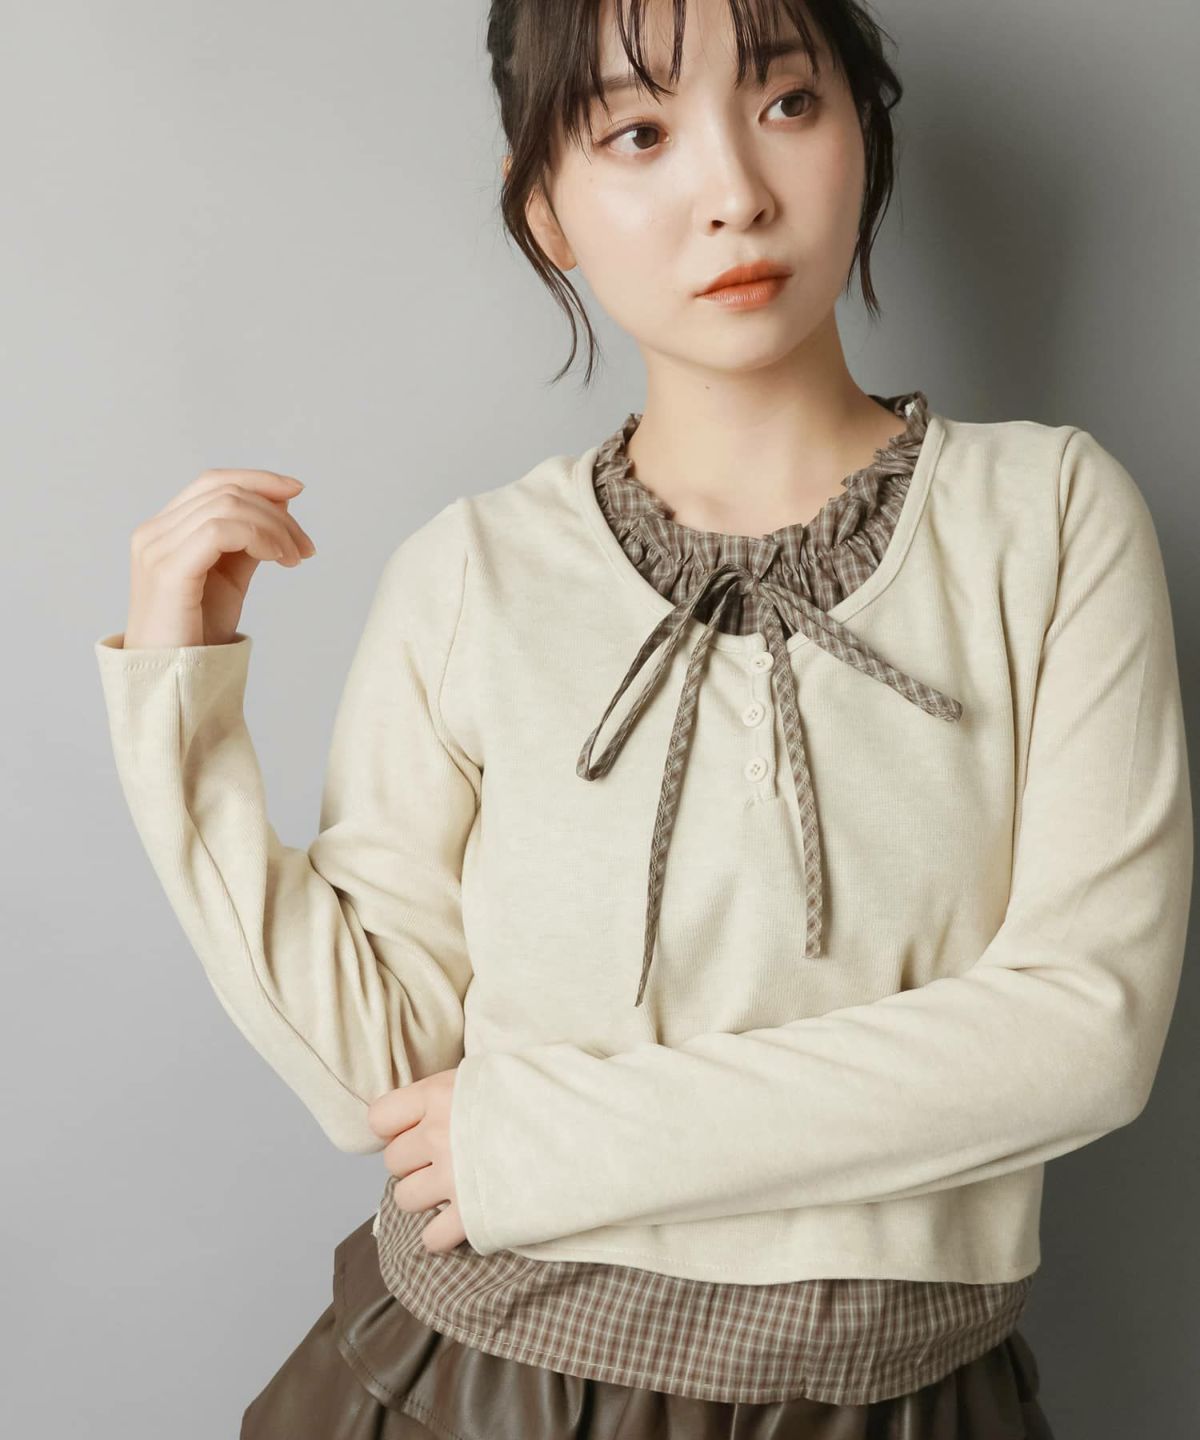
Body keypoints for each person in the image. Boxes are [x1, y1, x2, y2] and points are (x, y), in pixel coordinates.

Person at [93, 1, 1193, 1437]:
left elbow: (1084, 1032)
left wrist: (552, 1142)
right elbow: (383, 1077)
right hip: (477, 1379)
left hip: (890, 1396)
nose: (732, 191)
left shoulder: (1047, 519)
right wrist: (180, 712)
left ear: (865, 132)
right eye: (637, 133)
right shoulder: (471, 574)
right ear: (544, 209)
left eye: (788, 103)